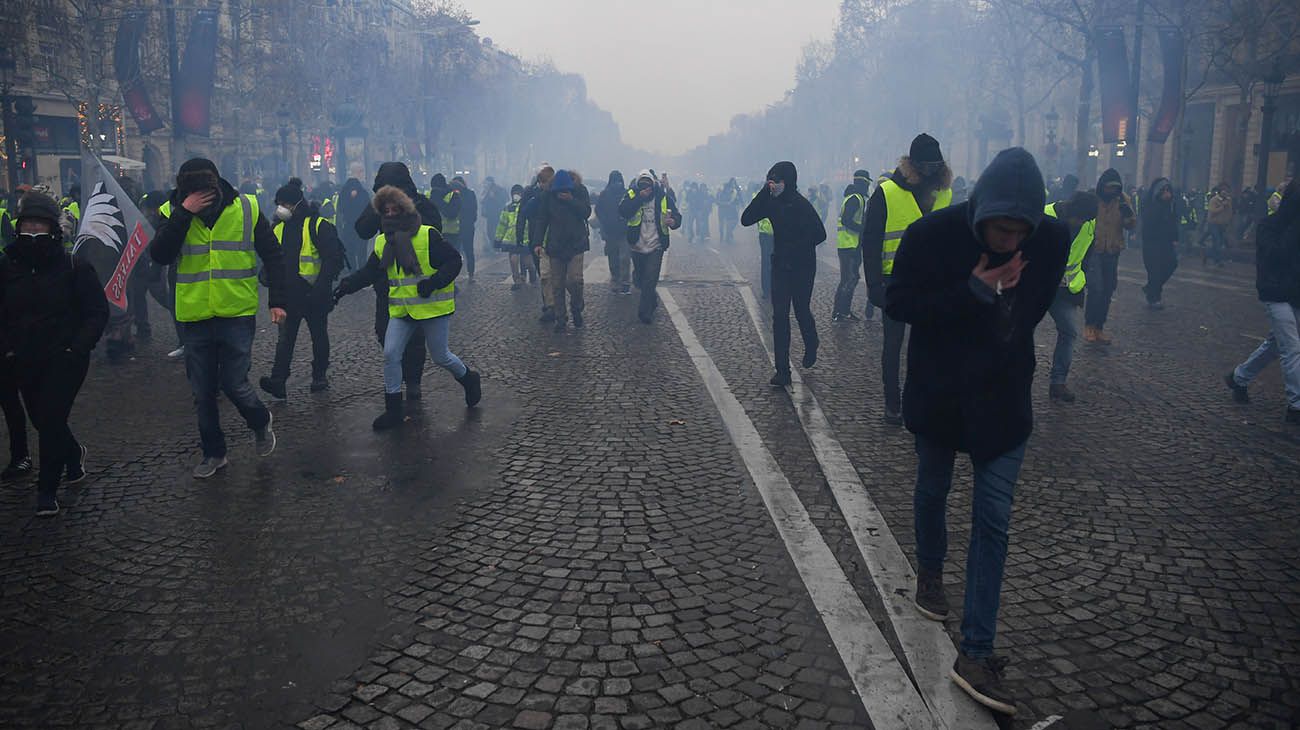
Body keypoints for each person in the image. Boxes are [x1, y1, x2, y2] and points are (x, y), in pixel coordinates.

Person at [887, 148, 1067, 717]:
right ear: (979, 213)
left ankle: (978, 651)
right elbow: (897, 302)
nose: (1010, 240)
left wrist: (1005, 309)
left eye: (1021, 231)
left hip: (1002, 403)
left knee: (994, 516)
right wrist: (975, 291)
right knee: (933, 486)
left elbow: (1033, 310)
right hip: (941, 392)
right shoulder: (930, 236)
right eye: (1000, 228)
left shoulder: (1052, 241)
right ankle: (931, 575)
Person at [149, 158, 285, 479]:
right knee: (203, 391)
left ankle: (259, 420)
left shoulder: (246, 208)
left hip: (236, 311)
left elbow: (273, 255)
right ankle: (214, 453)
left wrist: (277, 300)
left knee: (234, 383)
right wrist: (184, 212)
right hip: (194, 315)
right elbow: (160, 255)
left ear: (216, 185)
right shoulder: (172, 212)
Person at [334, 185, 480, 429]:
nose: (390, 215)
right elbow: (370, 272)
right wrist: (344, 286)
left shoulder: (427, 234)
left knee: (441, 356)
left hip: (433, 309)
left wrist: (434, 283)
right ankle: (393, 410)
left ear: (405, 210)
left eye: (395, 210)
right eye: (386, 211)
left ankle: (469, 379)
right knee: (391, 354)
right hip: (401, 310)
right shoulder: (382, 242)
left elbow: (454, 260)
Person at [0, 192, 109, 514]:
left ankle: (47, 488)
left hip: (64, 358)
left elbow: (96, 312)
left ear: (52, 228)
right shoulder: (6, 267)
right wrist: (6, 347)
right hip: (21, 358)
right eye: (27, 224)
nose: (33, 230)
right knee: (43, 419)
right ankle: (73, 454)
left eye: (39, 224)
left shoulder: (75, 266)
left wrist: (77, 347)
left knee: (50, 418)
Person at [863, 133, 954, 424]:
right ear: (913, 165)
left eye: (936, 165)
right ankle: (893, 403)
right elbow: (871, 240)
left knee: (929, 346)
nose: (931, 171)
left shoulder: (946, 194)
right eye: (926, 165)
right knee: (893, 344)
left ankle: (922, 399)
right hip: (894, 281)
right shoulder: (887, 192)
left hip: (933, 283)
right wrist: (873, 283)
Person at [355, 162, 442, 402]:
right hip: (388, 283)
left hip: (416, 281)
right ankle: (403, 378)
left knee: (415, 336)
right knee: (385, 333)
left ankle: (413, 381)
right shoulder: (381, 208)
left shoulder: (423, 205)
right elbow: (362, 229)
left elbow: (437, 235)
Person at [257, 180, 345, 399]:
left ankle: (319, 376)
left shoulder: (317, 225)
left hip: (313, 293)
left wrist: (322, 287)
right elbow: (271, 259)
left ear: (296, 204)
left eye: (285, 203)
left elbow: (332, 259)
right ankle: (278, 380)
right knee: (285, 339)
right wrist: (266, 276)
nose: (281, 208)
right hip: (288, 296)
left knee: (319, 336)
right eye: (279, 203)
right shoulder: (277, 228)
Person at [742, 161, 825, 387]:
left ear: (787, 182)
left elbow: (821, 234)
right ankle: (782, 370)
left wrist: (797, 246)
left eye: (777, 181)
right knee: (779, 316)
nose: (773, 185)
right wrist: (763, 193)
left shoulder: (802, 204)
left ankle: (811, 341)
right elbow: (746, 218)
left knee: (801, 310)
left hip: (802, 267)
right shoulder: (771, 203)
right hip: (780, 267)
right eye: (770, 181)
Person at [1225, 183, 1300, 425]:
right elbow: (1277, 255)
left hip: (1296, 293)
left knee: (1276, 345)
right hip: (1275, 292)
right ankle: (1296, 404)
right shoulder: (1268, 226)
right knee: (1292, 348)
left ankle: (1239, 377)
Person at [1042, 191, 1099, 402]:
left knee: (1069, 332)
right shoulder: (1045, 214)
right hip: (1037, 286)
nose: (1082, 222)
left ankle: (1058, 382)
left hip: (1065, 290)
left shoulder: (1089, 224)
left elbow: (1087, 254)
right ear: (1072, 210)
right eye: (1081, 218)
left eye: (1086, 219)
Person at [618, 170, 681, 323]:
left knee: (650, 279)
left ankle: (644, 313)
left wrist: (673, 222)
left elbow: (677, 216)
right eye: (642, 186)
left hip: (656, 245)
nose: (646, 189)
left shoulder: (662, 197)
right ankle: (651, 300)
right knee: (640, 280)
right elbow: (623, 211)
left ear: (653, 185)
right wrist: (639, 198)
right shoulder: (632, 194)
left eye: (648, 186)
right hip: (637, 245)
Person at [533, 170, 591, 332]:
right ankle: (560, 318)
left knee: (575, 280)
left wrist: (571, 200)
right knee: (557, 284)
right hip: (555, 245)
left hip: (576, 243)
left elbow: (586, 212)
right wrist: (537, 242)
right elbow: (542, 219)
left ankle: (577, 306)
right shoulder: (547, 196)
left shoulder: (580, 191)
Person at [1083, 169, 1135, 344]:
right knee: (1096, 289)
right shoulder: (1092, 199)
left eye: (1115, 187)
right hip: (1094, 249)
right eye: (1109, 187)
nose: (1111, 191)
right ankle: (1089, 325)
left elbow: (1130, 225)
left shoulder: (1123, 200)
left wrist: (1128, 215)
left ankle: (1099, 327)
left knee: (1107, 290)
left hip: (1112, 250)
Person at [832, 170, 872, 322]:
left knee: (851, 278)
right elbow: (847, 220)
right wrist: (863, 229)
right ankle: (840, 312)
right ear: (864, 183)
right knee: (849, 279)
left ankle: (843, 311)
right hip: (849, 245)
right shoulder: (856, 198)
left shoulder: (855, 197)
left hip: (850, 244)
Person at [519, 166, 556, 321]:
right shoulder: (532, 193)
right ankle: (549, 305)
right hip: (538, 240)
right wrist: (519, 234)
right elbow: (524, 212)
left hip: (556, 240)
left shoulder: (559, 192)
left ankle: (556, 305)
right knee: (545, 276)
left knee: (558, 277)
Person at [1140, 178, 1180, 310]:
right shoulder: (1150, 204)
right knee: (1155, 271)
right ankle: (1154, 298)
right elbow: (1148, 223)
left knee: (1171, 264)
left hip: (1166, 243)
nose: (1167, 193)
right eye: (1164, 191)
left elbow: (1173, 223)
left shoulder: (1171, 205)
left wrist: (1175, 238)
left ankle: (1150, 288)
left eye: (1168, 190)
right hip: (1152, 243)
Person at [495, 184, 537, 289]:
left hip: (525, 238)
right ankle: (517, 280)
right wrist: (498, 239)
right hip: (511, 240)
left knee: (527, 262)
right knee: (513, 261)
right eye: (514, 193)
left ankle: (532, 271)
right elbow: (502, 224)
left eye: (518, 193)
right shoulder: (508, 207)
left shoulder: (528, 205)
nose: (516, 195)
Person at [596, 171, 631, 293]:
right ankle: (616, 279)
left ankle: (625, 281)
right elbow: (598, 210)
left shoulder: (627, 193)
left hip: (624, 231)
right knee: (613, 258)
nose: (618, 183)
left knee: (625, 257)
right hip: (610, 231)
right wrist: (605, 221)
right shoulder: (604, 194)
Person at [336, 175, 372, 269]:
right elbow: (369, 208)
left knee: (349, 251)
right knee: (361, 252)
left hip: (349, 227)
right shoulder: (363, 194)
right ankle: (363, 269)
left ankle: (352, 271)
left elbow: (341, 209)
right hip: (362, 226)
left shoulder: (343, 194)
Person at [750, 184, 775, 300]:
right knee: (767, 263)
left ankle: (774, 288)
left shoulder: (782, 196)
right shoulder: (761, 197)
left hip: (778, 234)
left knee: (776, 263)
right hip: (765, 234)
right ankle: (767, 290)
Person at [452, 176, 478, 280]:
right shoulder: (470, 193)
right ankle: (471, 274)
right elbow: (474, 210)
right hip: (468, 226)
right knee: (469, 251)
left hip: (456, 227)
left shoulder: (453, 194)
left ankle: (454, 274)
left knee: (456, 251)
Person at [1199, 184, 1232, 267]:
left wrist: (1228, 222)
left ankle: (1207, 254)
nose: (1225, 193)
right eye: (1223, 191)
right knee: (1217, 242)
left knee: (1218, 244)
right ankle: (1218, 261)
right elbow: (1212, 211)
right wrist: (1222, 206)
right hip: (1213, 224)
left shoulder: (1228, 200)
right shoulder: (1214, 200)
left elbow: (1229, 212)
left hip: (1222, 224)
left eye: (1227, 191)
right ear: (1220, 192)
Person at [480, 176, 507, 255]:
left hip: (496, 214)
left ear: (491, 182)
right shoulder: (486, 190)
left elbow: (503, 201)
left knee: (494, 231)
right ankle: (493, 247)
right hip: (489, 215)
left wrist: (494, 197)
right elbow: (483, 201)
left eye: (486, 182)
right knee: (489, 231)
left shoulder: (498, 189)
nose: (485, 184)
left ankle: (496, 247)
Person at [716, 178, 742, 245]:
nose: (730, 189)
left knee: (731, 223)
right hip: (722, 211)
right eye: (729, 188)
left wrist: (738, 201)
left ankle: (728, 236)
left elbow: (735, 201)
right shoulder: (721, 193)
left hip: (729, 211)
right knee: (721, 225)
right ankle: (722, 237)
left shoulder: (733, 193)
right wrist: (725, 203)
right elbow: (717, 201)